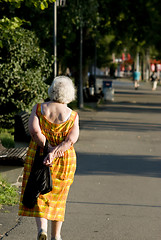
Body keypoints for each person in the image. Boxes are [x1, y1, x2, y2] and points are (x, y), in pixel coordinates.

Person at [18, 76, 79, 240]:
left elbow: (34, 131)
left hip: (38, 156)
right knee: (59, 198)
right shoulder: (72, 116)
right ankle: (56, 236)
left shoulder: (39, 108)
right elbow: (71, 140)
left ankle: (42, 229)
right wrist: (55, 151)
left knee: (40, 192)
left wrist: (47, 148)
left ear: (52, 89)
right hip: (63, 161)